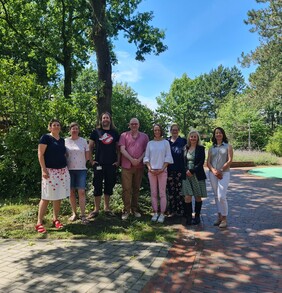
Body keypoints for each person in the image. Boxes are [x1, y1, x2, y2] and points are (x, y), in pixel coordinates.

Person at [35, 119, 70, 233]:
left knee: (58, 196)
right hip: (49, 171)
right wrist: (43, 170)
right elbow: (40, 154)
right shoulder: (46, 138)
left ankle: (56, 219)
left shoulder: (62, 140)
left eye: (58, 125)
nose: (56, 126)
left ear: (60, 127)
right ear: (50, 127)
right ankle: (39, 222)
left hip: (62, 171)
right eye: (54, 125)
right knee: (46, 197)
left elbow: (63, 154)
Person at [87, 112, 120, 219]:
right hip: (99, 164)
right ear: (101, 120)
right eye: (103, 118)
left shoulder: (115, 133)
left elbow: (118, 149)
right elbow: (90, 147)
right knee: (97, 185)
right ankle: (96, 209)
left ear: (110, 119)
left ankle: (107, 208)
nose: (105, 119)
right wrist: (91, 161)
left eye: (107, 117)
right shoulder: (96, 132)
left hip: (111, 164)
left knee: (109, 185)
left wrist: (118, 161)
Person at [119, 118, 149, 220]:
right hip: (126, 166)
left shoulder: (144, 137)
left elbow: (146, 150)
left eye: (136, 124)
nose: (134, 125)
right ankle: (126, 210)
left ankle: (135, 209)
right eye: (132, 124)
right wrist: (132, 159)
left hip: (139, 166)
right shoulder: (124, 135)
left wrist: (139, 159)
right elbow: (122, 149)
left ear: (139, 125)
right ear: (129, 125)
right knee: (126, 189)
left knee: (136, 188)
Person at [143, 124, 173, 223]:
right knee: (154, 193)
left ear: (161, 131)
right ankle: (155, 212)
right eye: (155, 130)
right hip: (151, 171)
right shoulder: (150, 143)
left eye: (158, 130)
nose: (157, 132)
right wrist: (149, 168)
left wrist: (162, 168)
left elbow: (168, 157)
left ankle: (162, 214)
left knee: (162, 193)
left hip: (162, 171)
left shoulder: (165, 143)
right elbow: (146, 157)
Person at [207, 127, 233, 228]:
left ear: (223, 134)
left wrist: (221, 170)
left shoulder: (228, 146)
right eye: (216, 133)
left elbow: (230, 160)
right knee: (216, 196)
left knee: (221, 196)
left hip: (224, 173)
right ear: (214, 135)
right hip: (212, 173)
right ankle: (219, 217)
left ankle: (224, 219)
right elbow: (208, 162)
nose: (218, 134)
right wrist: (213, 170)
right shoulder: (211, 148)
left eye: (220, 133)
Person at [65, 122, 90, 224]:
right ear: (70, 130)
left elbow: (87, 155)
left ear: (79, 130)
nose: (74, 130)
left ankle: (83, 215)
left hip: (81, 169)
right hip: (68, 169)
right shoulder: (65, 141)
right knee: (71, 192)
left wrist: (84, 162)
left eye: (76, 128)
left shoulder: (83, 141)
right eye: (73, 129)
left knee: (81, 192)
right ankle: (74, 213)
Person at [182, 130, 207, 225]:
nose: (193, 138)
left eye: (194, 137)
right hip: (186, 175)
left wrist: (192, 171)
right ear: (189, 138)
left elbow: (201, 162)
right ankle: (189, 217)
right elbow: (183, 162)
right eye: (191, 136)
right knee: (187, 196)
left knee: (198, 196)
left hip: (197, 174)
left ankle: (197, 216)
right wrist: (186, 170)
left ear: (197, 138)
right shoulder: (185, 148)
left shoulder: (201, 148)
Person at [167, 124, 187, 217]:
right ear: (170, 131)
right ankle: (172, 210)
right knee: (171, 190)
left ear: (178, 131)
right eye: (173, 130)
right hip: (169, 169)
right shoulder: (166, 141)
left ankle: (181, 210)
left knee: (180, 191)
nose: (174, 131)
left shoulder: (183, 141)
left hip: (180, 169)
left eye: (176, 130)